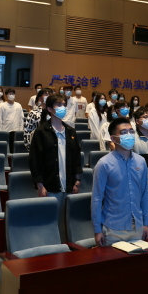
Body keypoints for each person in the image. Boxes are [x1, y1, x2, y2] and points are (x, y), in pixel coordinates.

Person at [29, 93, 82, 242]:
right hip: (50, 184)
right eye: (59, 105)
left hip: (69, 184)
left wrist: (77, 181)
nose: (62, 108)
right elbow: (35, 160)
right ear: (50, 109)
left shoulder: (70, 131)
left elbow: (77, 157)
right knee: (50, 221)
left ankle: (66, 247)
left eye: (64, 105)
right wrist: (40, 184)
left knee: (67, 222)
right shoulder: (41, 132)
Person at [92, 117, 148, 247]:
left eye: (131, 131)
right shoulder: (104, 164)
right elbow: (97, 199)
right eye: (124, 132)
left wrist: (146, 222)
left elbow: (145, 195)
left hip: (137, 227)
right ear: (113, 138)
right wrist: (97, 230)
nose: (129, 135)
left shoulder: (141, 161)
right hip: (113, 230)